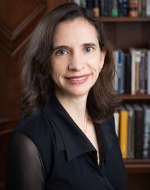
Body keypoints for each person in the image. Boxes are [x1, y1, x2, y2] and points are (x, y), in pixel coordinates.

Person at [5, 3, 127, 190]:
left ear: (102, 58)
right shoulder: (28, 142)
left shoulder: (105, 118)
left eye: (87, 49)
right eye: (62, 51)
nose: (76, 65)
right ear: (46, 61)